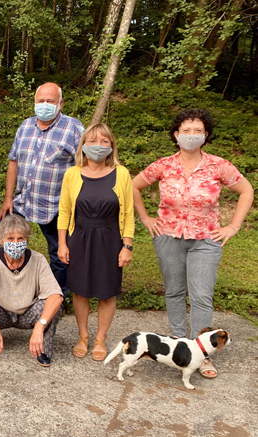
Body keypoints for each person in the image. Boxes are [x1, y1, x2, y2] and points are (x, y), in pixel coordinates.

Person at [132, 109, 254, 378]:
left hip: (206, 240)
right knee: (174, 291)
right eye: (185, 130)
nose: (191, 135)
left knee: (201, 296)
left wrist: (233, 226)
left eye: (197, 130)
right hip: (168, 237)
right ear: (176, 135)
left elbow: (246, 191)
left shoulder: (219, 165)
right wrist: (145, 217)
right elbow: (133, 186)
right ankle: (178, 344)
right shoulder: (163, 165)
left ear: (205, 135)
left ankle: (203, 354)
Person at [0, 82, 85, 299]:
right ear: (34, 102)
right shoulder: (25, 126)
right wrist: (8, 198)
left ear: (60, 103)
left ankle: (57, 297)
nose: (45, 105)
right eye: (41, 101)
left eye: (50, 101)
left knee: (60, 254)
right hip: (22, 201)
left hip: (55, 205)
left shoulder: (74, 128)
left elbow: (84, 167)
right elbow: (14, 161)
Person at [58, 123, 134, 361]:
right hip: (79, 238)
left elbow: (129, 213)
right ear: (83, 146)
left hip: (110, 239)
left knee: (106, 292)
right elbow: (64, 211)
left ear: (111, 146)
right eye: (92, 141)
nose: (98, 146)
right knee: (80, 292)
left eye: (104, 141)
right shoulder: (72, 174)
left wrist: (127, 246)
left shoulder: (121, 173)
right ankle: (83, 336)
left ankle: (100, 338)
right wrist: (62, 243)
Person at [0, 214, 64, 367]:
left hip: (28, 313)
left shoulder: (38, 259)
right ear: (1, 239)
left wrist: (40, 326)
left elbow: (56, 296)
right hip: (0, 312)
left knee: (53, 306)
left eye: (20, 239)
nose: (16, 243)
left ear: (26, 239)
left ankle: (43, 348)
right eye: (10, 239)